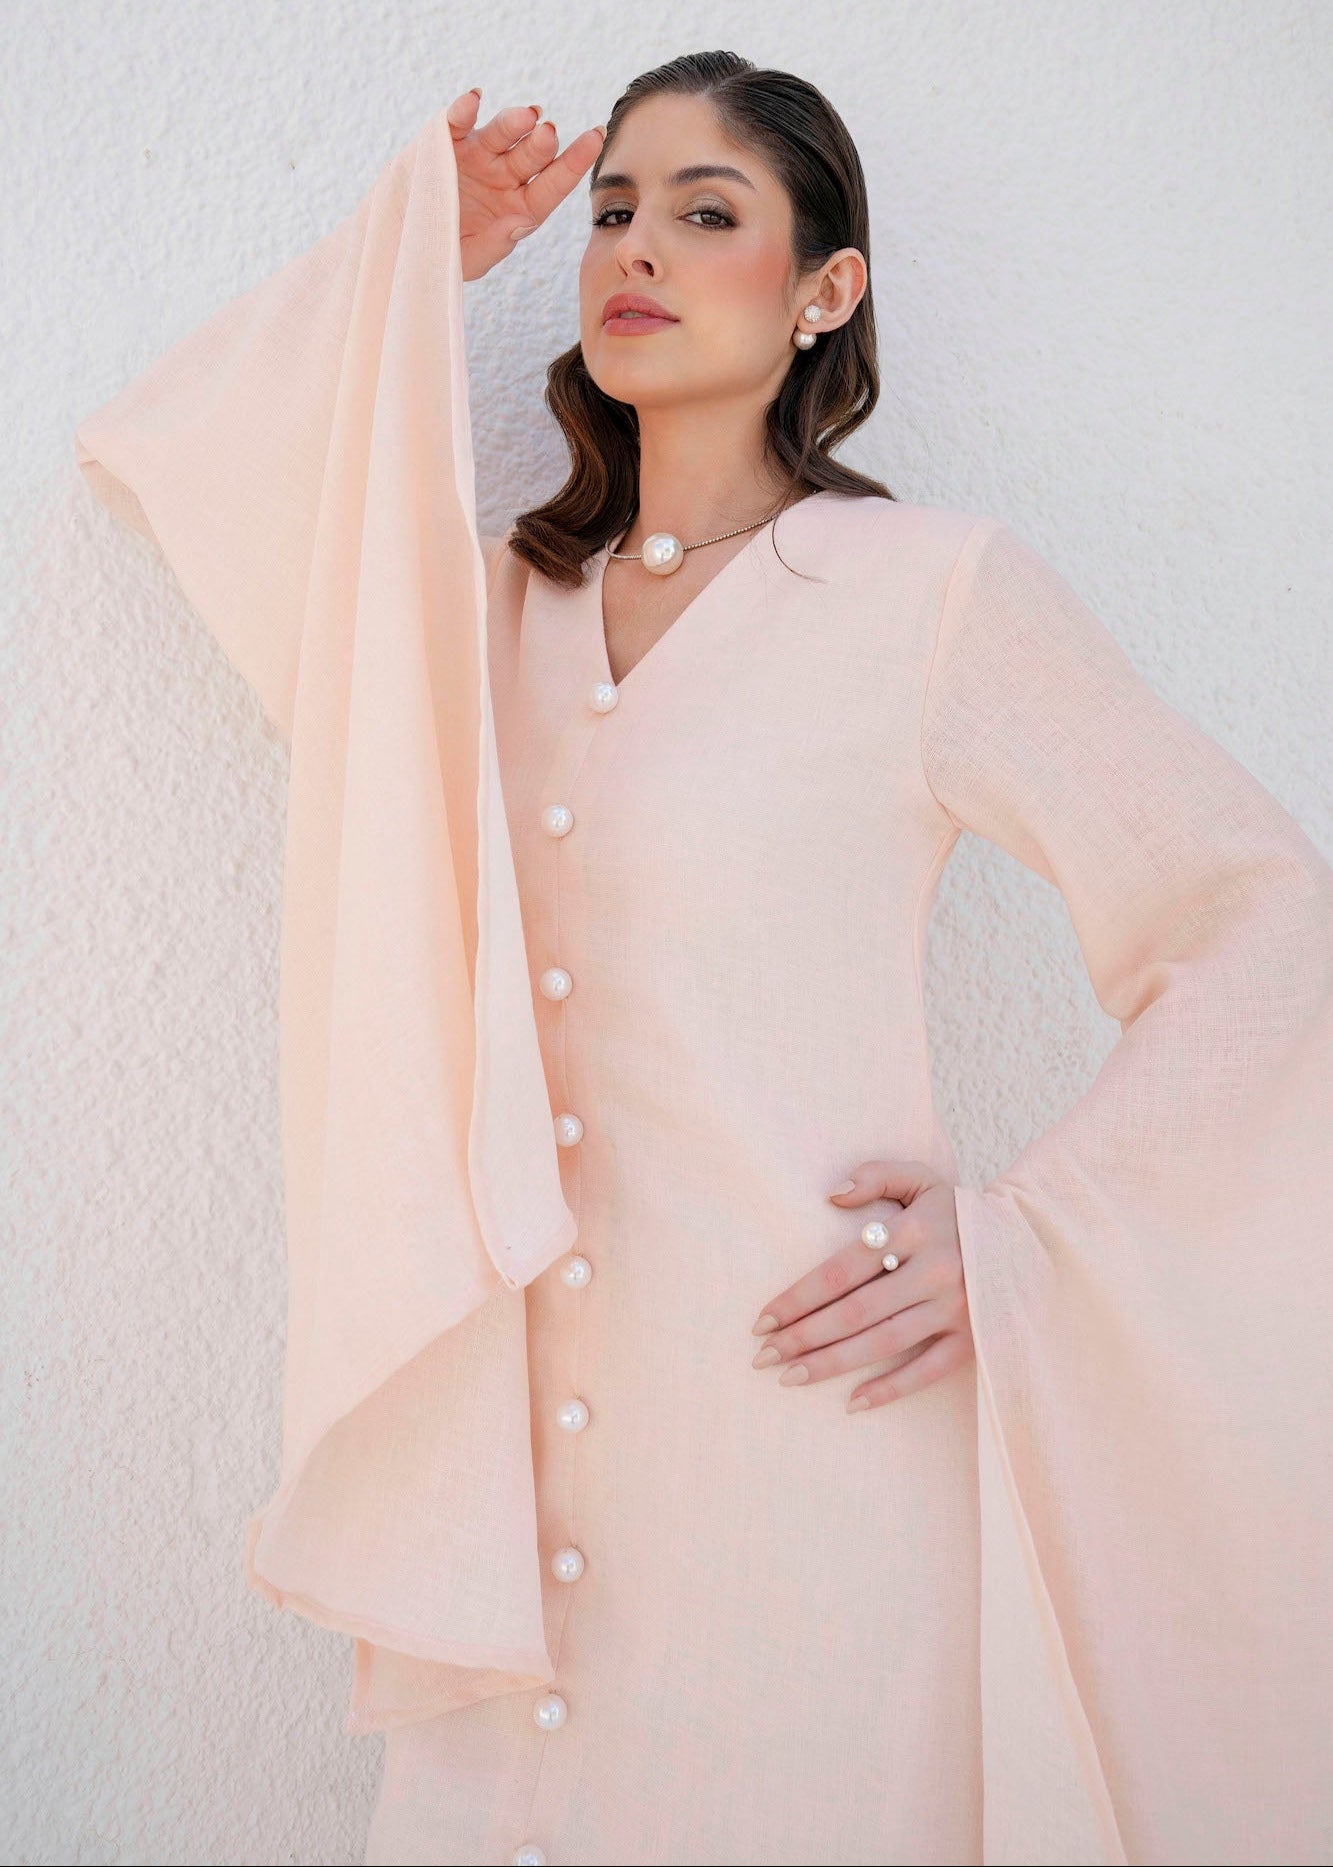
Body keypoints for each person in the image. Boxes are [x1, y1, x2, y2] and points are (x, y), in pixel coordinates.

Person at [74, 50, 1332, 1867]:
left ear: (826, 289)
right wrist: (413, 254)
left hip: (808, 1469)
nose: (633, 251)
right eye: (609, 212)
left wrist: (1024, 1238)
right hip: (500, 1501)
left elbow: (1261, 921)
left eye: (704, 211)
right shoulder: (481, 615)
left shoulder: (926, 598)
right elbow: (182, 460)